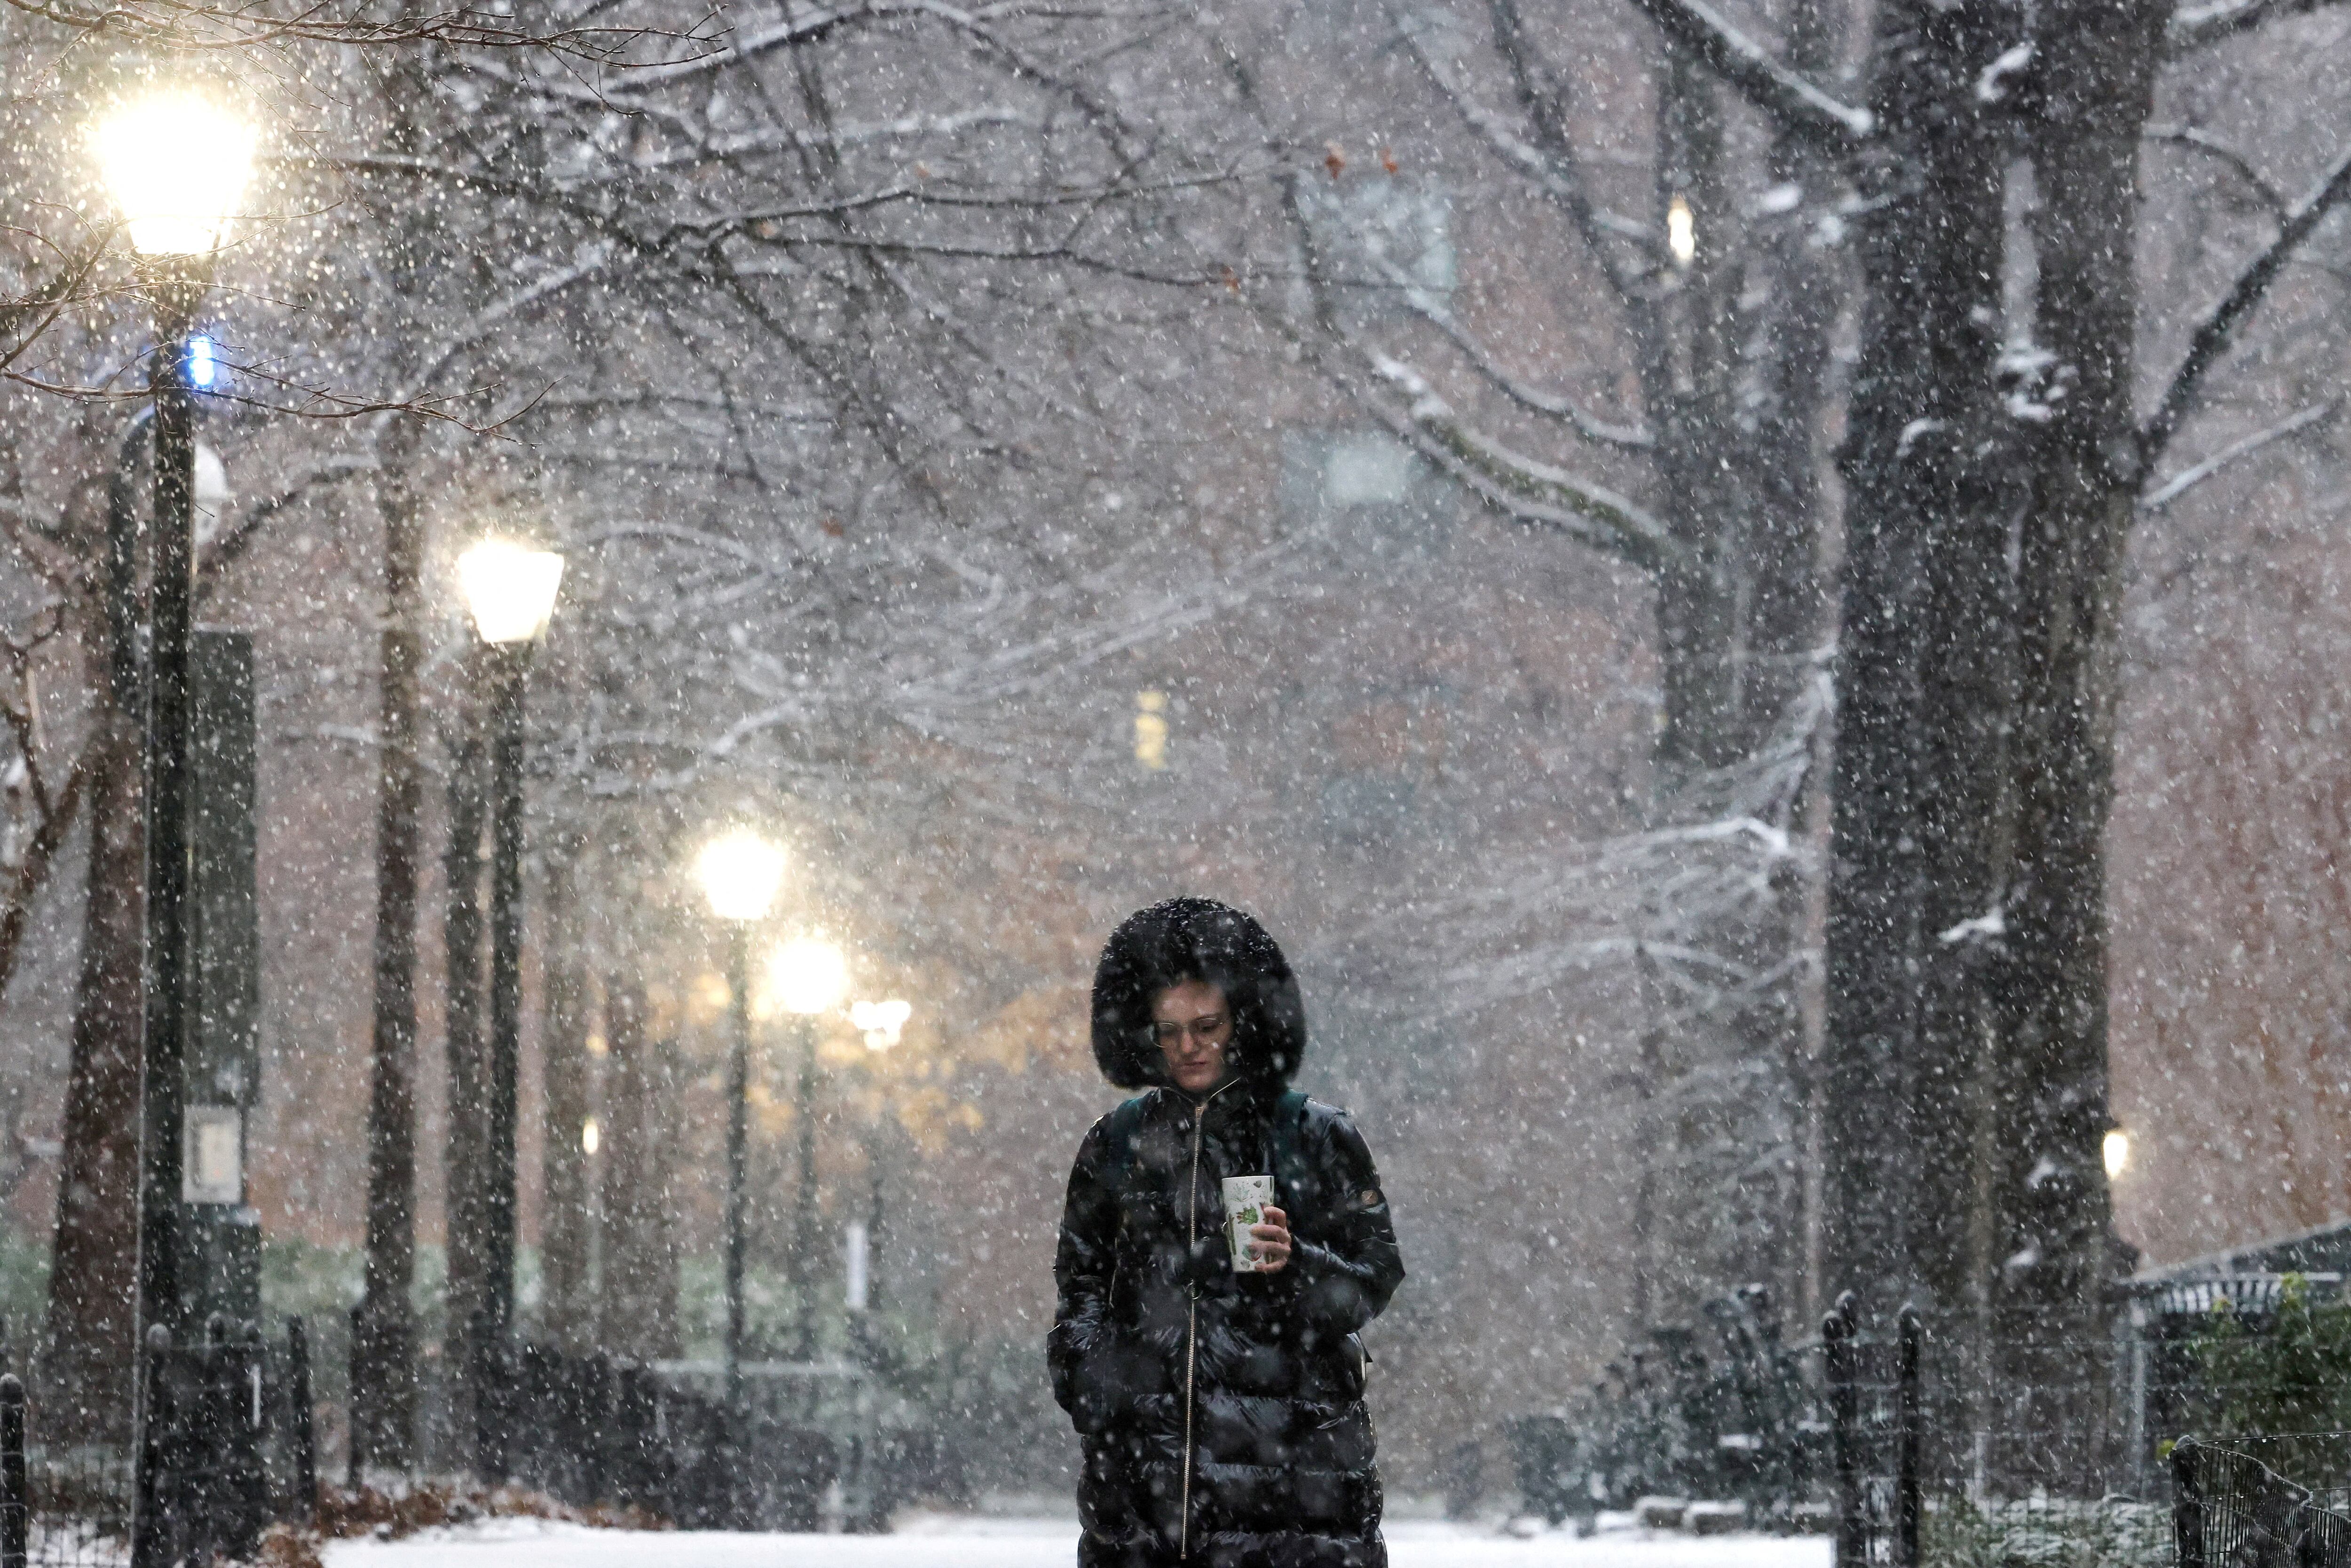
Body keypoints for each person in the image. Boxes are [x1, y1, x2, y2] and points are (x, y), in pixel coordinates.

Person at [1049, 897, 1405, 1567]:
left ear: (1242, 1021)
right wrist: (1091, 1375)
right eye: (1169, 1030)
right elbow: (1080, 1277)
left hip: (1297, 1494)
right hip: (1145, 1495)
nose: (1188, 1046)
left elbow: (1372, 1285)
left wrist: (1296, 1262)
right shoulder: (1118, 1142)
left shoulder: (1317, 1137)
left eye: (1206, 1026)